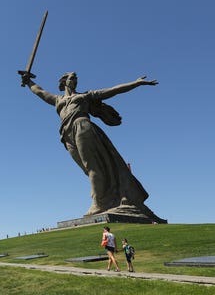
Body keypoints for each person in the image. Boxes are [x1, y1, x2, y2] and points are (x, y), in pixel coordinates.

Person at [21, 72, 158, 216]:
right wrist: (28, 81)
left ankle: (98, 204)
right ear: (64, 81)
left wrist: (135, 83)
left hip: (82, 126)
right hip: (66, 134)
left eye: (76, 78)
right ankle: (106, 198)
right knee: (88, 170)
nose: (75, 80)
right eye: (72, 78)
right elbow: (40, 91)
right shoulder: (57, 99)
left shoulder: (84, 96)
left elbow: (112, 91)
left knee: (92, 166)